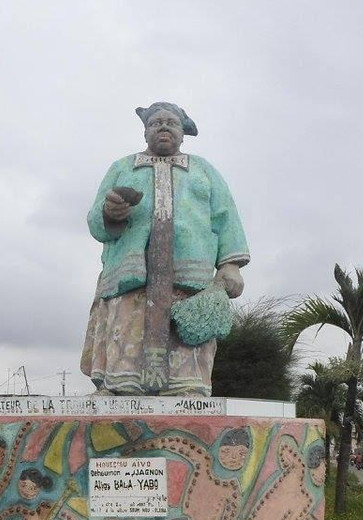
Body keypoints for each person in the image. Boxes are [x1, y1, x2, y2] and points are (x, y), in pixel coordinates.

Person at [81, 102, 250, 396]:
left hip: (189, 278)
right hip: (130, 274)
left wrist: (230, 264)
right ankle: (121, 385)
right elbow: (96, 219)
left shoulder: (204, 170)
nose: (162, 126)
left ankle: (187, 388)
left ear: (183, 133)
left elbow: (226, 217)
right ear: (145, 131)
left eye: (170, 122)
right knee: (126, 327)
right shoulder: (122, 167)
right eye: (155, 122)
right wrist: (111, 213)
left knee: (187, 341)